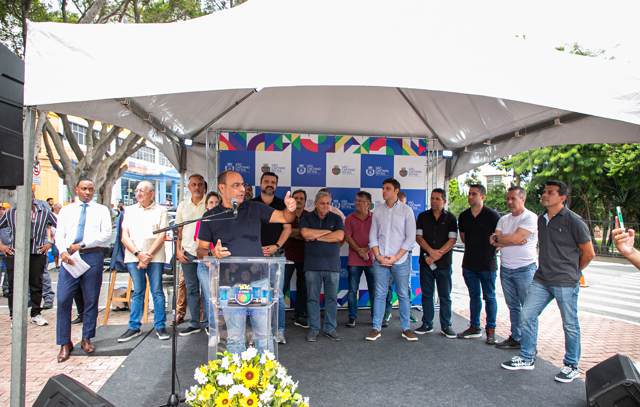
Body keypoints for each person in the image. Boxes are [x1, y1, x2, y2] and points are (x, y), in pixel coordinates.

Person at [501, 180, 595, 384]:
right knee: (526, 315)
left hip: (565, 282)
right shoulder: (542, 220)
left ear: (562, 197)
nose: (545, 195)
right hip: (542, 279)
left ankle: (571, 365)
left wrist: (573, 272)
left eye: (550, 192)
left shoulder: (574, 221)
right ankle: (527, 357)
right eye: (544, 192)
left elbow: (588, 253)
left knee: (570, 324)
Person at [196, 170, 296, 354]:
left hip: (259, 281)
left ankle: (264, 381)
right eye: (236, 185)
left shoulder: (254, 208)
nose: (242, 189)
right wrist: (212, 252)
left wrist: (290, 209)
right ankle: (237, 382)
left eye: (243, 185)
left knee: (264, 337)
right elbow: (200, 250)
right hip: (229, 284)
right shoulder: (210, 216)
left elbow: (284, 218)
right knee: (234, 339)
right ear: (221, 188)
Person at [54, 177, 112, 362]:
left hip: (92, 255)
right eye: (84, 189)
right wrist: (63, 252)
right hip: (69, 258)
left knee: (91, 299)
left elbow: (107, 235)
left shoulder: (101, 210)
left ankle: (86, 338)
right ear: (76, 190)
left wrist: (84, 244)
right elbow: (59, 234)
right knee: (63, 299)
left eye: (90, 189)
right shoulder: (67, 210)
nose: (87, 192)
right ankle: (64, 342)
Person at [366, 178, 417, 342]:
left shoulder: (407, 211)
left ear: (396, 191)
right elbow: (372, 236)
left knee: (403, 294)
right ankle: (376, 328)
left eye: (387, 188)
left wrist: (395, 257)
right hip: (380, 261)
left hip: (400, 261)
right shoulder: (378, 211)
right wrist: (379, 256)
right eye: (383, 188)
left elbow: (410, 239)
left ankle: (406, 328)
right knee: (379, 294)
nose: (384, 191)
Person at [118, 180, 170, 342]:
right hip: (134, 256)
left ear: (151, 193)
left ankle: (160, 325)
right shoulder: (130, 210)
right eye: (137, 191)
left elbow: (162, 235)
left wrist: (147, 255)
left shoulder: (161, 210)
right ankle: (134, 326)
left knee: (157, 290)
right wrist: (138, 253)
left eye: (142, 191)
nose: (138, 193)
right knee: (138, 290)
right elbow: (124, 236)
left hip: (155, 257)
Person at [490, 186, 538, 350]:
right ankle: (516, 338)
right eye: (508, 199)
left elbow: (512, 238)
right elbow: (493, 240)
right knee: (513, 307)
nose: (509, 202)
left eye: (513, 199)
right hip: (506, 269)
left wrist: (505, 239)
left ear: (522, 199)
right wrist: (510, 239)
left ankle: (530, 344)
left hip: (525, 269)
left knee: (528, 309)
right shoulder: (504, 219)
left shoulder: (530, 217)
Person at [0, 196, 56, 326]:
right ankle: (15, 315)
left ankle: (36, 313)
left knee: (36, 285)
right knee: (14, 286)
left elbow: (60, 226)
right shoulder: (11, 213)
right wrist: (2, 246)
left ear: (34, 197)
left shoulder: (44, 212)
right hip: (15, 253)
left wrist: (50, 242)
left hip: (36, 252)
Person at [456, 184, 500, 344]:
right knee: (474, 296)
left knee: (489, 297)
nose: (470, 197)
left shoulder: (493, 216)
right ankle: (474, 327)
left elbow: (499, 239)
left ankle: (491, 330)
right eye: (469, 194)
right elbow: (464, 237)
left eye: (474, 194)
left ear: (483, 196)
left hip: (487, 264)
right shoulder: (464, 216)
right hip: (469, 264)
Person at [300, 191, 345, 342]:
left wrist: (316, 236)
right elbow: (306, 234)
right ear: (316, 203)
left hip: (332, 266)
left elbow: (339, 236)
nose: (325, 206)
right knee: (312, 299)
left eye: (328, 203)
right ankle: (314, 329)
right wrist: (327, 233)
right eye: (322, 203)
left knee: (331, 299)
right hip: (312, 266)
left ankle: (330, 328)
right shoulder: (306, 217)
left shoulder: (336, 218)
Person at [253, 172, 292, 343]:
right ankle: (257, 333)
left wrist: (276, 246)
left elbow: (287, 229)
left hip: (277, 256)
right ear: (260, 184)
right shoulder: (251, 205)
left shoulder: (281, 205)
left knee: (277, 297)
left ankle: (279, 331)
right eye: (266, 181)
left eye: (273, 182)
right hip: (255, 258)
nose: (270, 184)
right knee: (255, 296)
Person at [414, 188, 458, 338]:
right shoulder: (423, 216)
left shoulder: (451, 218)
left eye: (438, 199)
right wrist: (430, 252)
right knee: (427, 294)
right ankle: (427, 323)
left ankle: (446, 326)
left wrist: (438, 254)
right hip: (426, 261)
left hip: (444, 263)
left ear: (444, 201)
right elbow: (419, 237)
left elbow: (452, 240)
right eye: (432, 198)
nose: (434, 201)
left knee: (445, 295)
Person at [176, 174, 208, 336]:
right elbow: (179, 231)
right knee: (192, 289)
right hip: (187, 253)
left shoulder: (209, 204)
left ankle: (209, 323)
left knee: (208, 289)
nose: (197, 187)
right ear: (188, 187)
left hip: (205, 254)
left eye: (200, 184)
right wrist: (178, 250)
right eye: (193, 184)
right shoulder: (182, 206)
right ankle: (194, 322)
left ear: (204, 186)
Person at [344, 191, 374, 328]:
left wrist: (367, 250)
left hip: (371, 258)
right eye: (356, 201)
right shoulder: (349, 218)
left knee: (374, 290)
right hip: (354, 259)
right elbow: (348, 238)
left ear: (368, 203)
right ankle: (352, 317)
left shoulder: (375, 218)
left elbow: (378, 237)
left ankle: (376, 317)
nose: (357, 203)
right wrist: (360, 251)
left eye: (361, 201)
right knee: (352, 290)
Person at [283, 190, 310, 329]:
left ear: (305, 201)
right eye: (296, 198)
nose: (299, 200)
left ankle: (300, 316)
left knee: (303, 288)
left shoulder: (309, 216)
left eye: (301, 198)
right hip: (287, 257)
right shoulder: (287, 214)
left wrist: (294, 233)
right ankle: (278, 318)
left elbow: (308, 235)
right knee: (282, 288)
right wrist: (301, 233)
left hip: (306, 257)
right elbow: (284, 233)